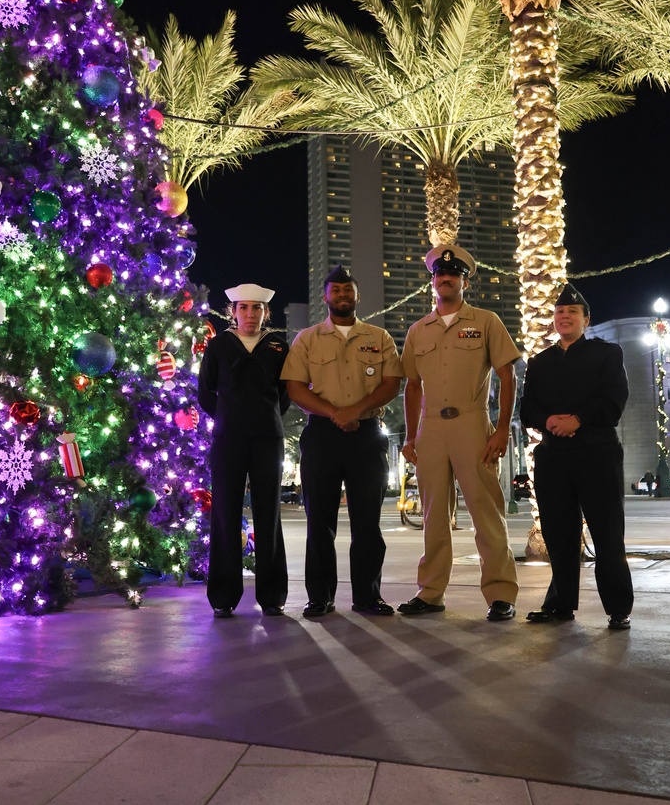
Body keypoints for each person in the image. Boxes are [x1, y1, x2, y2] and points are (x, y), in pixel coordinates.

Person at [398, 244, 520, 623]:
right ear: (432, 281)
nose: (444, 278)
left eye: (452, 274)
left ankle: (500, 594)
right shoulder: (419, 331)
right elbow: (412, 386)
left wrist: (501, 429)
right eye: (438, 274)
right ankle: (430, 592)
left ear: (465, 281)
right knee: (434, 514)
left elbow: (507, 375)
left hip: (472, 422)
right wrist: (410, 435)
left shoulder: (485, 322)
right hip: (430, 427)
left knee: (486, 512)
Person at [281, 264, 402, 617]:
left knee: (368, 523)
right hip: (321, 436)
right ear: (326, 296)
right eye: (336, 290)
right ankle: (320, 597)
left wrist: (355, 411)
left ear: (357, 295)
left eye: (348, 289)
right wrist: (335, 413)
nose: (342, 295)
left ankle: (368, 596)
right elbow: (295, 387)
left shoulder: (379, 338)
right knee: (320, 522)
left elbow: (391, 384)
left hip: (366, 436)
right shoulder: (307, 338)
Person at [520, 283, 634, 630]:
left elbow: (613, 400)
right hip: (554, 456)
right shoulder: (540, 362)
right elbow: (528, 409)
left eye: (572, 312)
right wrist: (549, 421)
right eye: (559, 312)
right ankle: (560, 603)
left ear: (586, 319)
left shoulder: (607, 353)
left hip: (597, 452)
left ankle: (617, 608)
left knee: (607, 532)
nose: (564, 316)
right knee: (558, 535)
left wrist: (578, 419)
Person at [197, 283, 290, 618]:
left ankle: (273, 595)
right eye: (244, 308)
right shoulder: (219, 345)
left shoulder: (279, 346)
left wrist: (264, 418)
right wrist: (230, 417)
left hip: (268, 439)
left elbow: (286, 394)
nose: (251, 314)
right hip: (228, 440)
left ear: (267, 313)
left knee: (269, 514)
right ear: (233, 312)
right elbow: (205, 393)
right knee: (224, 513)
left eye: (257, 308)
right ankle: (223, 596)